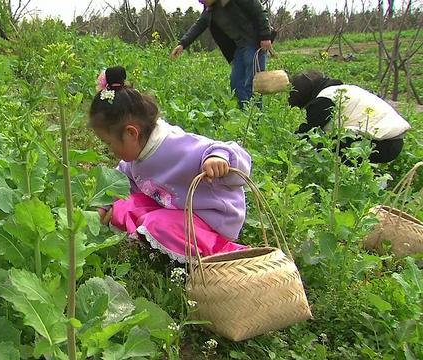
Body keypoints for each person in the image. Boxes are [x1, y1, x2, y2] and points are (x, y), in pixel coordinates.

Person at [91, 66, 251, 263]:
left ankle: (223, 252)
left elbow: (237, 157)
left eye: (109, 143)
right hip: (177, 212)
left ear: (132, 133)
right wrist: (103, 207)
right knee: (123, 207)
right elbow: (118, 181)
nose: (110, 150)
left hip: (211, 219)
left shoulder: (177, 146)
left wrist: (217, 159)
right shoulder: (137, 155)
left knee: (156, 224)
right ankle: (164, 246)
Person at [289, 70, 411, 163]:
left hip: (383, 143)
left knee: (324, 145)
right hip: (394, 140)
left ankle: (351, 182)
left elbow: (308, 133)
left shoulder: (325, 98)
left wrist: (289, 143)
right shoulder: (343, 89)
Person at [170, 0, 273, 108]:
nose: (201, 2)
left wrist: (265, 36)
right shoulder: (209, 10)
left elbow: (259, 11)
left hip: (254, 43)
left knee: (253, 84)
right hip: (239, 48)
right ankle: (245, 113)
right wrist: (182, 44)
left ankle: (255, 119)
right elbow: (198, 26)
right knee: (236, 83)